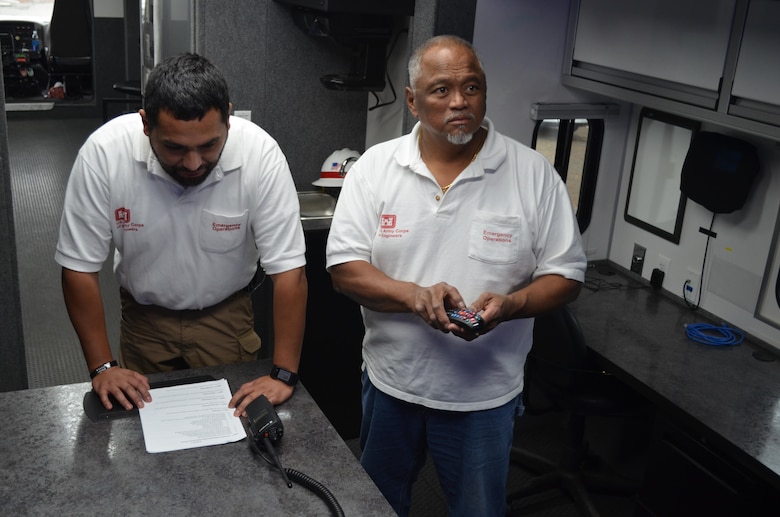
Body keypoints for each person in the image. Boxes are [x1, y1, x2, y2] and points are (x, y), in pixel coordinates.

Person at [325, 35, 587, 516]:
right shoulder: (375, 170)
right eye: (441, 89)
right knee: (376, 506)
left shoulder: (532, 174)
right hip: (391, 385)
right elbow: (344, 271)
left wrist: (512, 306)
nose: (459, 101)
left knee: (478, 511)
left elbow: (566, 275)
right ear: (411, 100)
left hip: (484, 397)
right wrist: (413, 296)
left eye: (472, 87)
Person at [55, 53, 307, 417]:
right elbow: (78, 267)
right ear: (146, 125)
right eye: (175, 147)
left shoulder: (260, 155)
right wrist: (103, 367)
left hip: (226, 316)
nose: (193, 163)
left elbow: (289, 272)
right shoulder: (105, 154)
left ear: (229, 119)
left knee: (233, 434)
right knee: (140, 430)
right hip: (144, 320)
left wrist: (284, 374)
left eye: (208, 145)